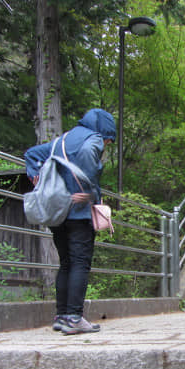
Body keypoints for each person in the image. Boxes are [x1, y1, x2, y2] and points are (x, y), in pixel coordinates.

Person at [24, 108, 116, 335]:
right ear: (103, 131)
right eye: (108, 140)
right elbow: (87, 154)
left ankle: (62, 316)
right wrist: (89, 190)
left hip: (58, 212)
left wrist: (34, 174)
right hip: (79, 213)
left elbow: (32, 154)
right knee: (80, 263)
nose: (106, 145)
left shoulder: (61, 140)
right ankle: (74, 317)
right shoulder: (91, 139)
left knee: (65, 264)